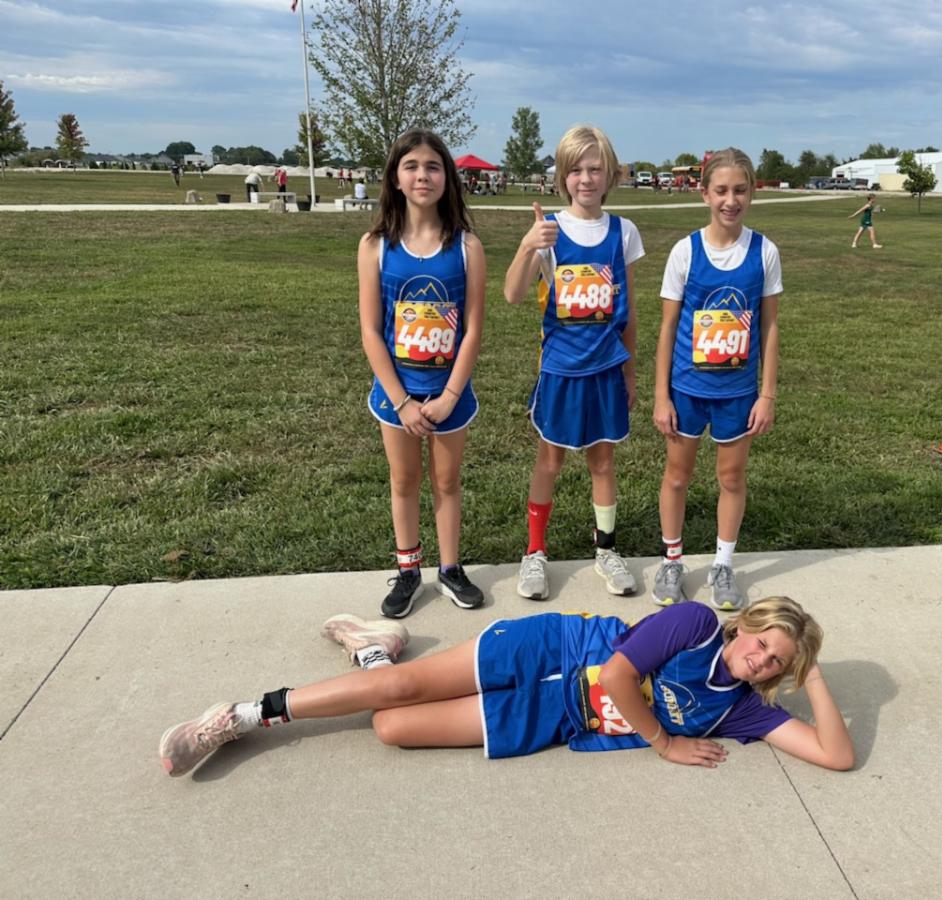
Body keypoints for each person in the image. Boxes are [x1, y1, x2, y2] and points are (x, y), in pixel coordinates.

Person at [158, 596, 854, 777]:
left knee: (392, 726)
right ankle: (242, 715)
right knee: (401, 690)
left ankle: (372, 650)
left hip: (557, 716)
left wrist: (813, 671)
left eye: (777, 663)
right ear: (742, 627)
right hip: (555, 649)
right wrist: (664, 742)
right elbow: (618, 674)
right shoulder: (697, 624)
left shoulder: (739, 712)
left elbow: (835, 755)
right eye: (761, 642)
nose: (760, 660)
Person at [503, 125, 644, 602]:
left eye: (595, 169)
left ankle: (606, 548)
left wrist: (630, 371)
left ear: (610, 175)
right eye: (576, 170)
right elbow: (513, 293)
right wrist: (528, 245)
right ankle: (534, 551)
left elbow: (629, 311)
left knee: (602, 462)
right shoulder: (549, 230)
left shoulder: (624, 232)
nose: (586, 178)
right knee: (550, 460)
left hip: (606, 367)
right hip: (561, 368)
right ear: (562, 176)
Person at [359, 129, 487, 618]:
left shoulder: (467, 247)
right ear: (395, 177)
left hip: (448, 394)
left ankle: (450, 568)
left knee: (447, 480)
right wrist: (402, 402)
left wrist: (450, 395)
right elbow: (371, 331)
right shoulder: (375, 245)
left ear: (447, 177)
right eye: (411, 166)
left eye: (433, 166)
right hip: (398, 395)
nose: (422, 176)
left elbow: (472, 330)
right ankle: (409, 570)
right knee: (404, 480)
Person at [651, 148, 782, 611]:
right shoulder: (685, 251)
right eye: (721, 190)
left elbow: (769, 326)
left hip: (738, 394)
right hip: (687, 390)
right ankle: (672, 561)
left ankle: (723, 565)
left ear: (752, 193)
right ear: (704, 193)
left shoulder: (764, 252)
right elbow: (668, 327)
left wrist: (767, 394)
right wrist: (661, 395)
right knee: (677, 476)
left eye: (740, 190)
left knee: (731, 477)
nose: (731, 200)